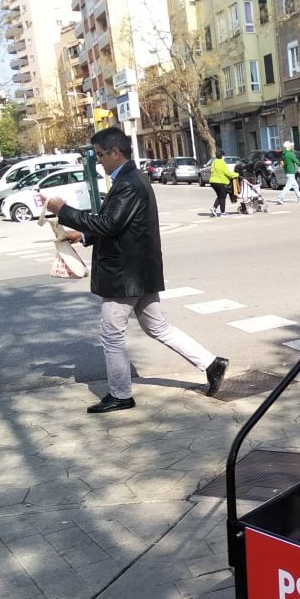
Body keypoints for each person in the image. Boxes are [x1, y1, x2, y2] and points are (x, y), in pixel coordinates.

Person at [45, 127, 230, 412]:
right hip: (138, 271)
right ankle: (211, 363)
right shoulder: (131, 178)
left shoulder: (128, 183)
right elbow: (119, 224)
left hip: (125, 275)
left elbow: (109, 224)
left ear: (115, 152)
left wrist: (64, 211)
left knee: (111, 333)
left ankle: (120, 394)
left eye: (100, 155)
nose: (98, 161)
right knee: (157, 326)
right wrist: (81, 235)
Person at [207, 151, 238, 217]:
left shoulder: (214, 162)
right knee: (223, 197)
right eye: (224, 156)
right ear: (222, 156)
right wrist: (236, 174)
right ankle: (223, 213)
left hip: (213, 182)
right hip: (220, 182)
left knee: (220, 196)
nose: (224, 157)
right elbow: (227, 173)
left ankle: (214, 208)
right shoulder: (222, 163)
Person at [276, 140, 300, 204]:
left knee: (296, 186)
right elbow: (297, 162)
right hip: (291, 172)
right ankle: (280, 198)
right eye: (291, 145)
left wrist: (285, 168)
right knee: (287, 187)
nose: (292, 146)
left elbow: (282, 163)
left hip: (288, 172)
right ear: (289, 146)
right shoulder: (290, 154)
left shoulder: (283, 154)